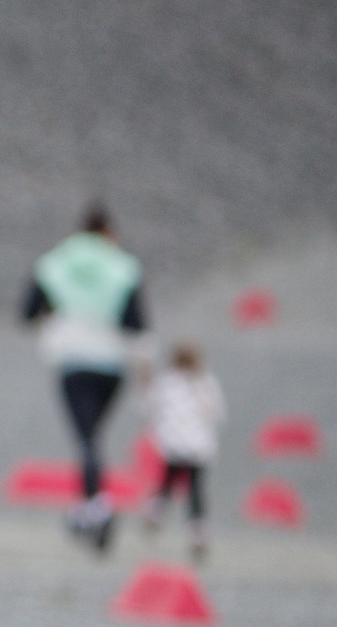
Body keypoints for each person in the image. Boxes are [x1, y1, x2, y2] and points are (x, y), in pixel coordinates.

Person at [22, 203, 148, 551]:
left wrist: (58, 318)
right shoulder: (122, 265)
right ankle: (87, 510)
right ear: (109, 231)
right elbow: (137, 323)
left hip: (73, 360)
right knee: (93, 436)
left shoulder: (57, 262)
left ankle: (96, 508)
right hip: (112, 364)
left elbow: (28, 312)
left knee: (86, 438)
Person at [141, 342, 224, 562]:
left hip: (173, 444)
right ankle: (197, 532)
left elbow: (148, 406)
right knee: (196, 489)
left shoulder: (167, 383)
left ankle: (155, 512)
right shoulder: (206, 383)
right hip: (198, 446)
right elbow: (217, 414)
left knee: (168, 481)